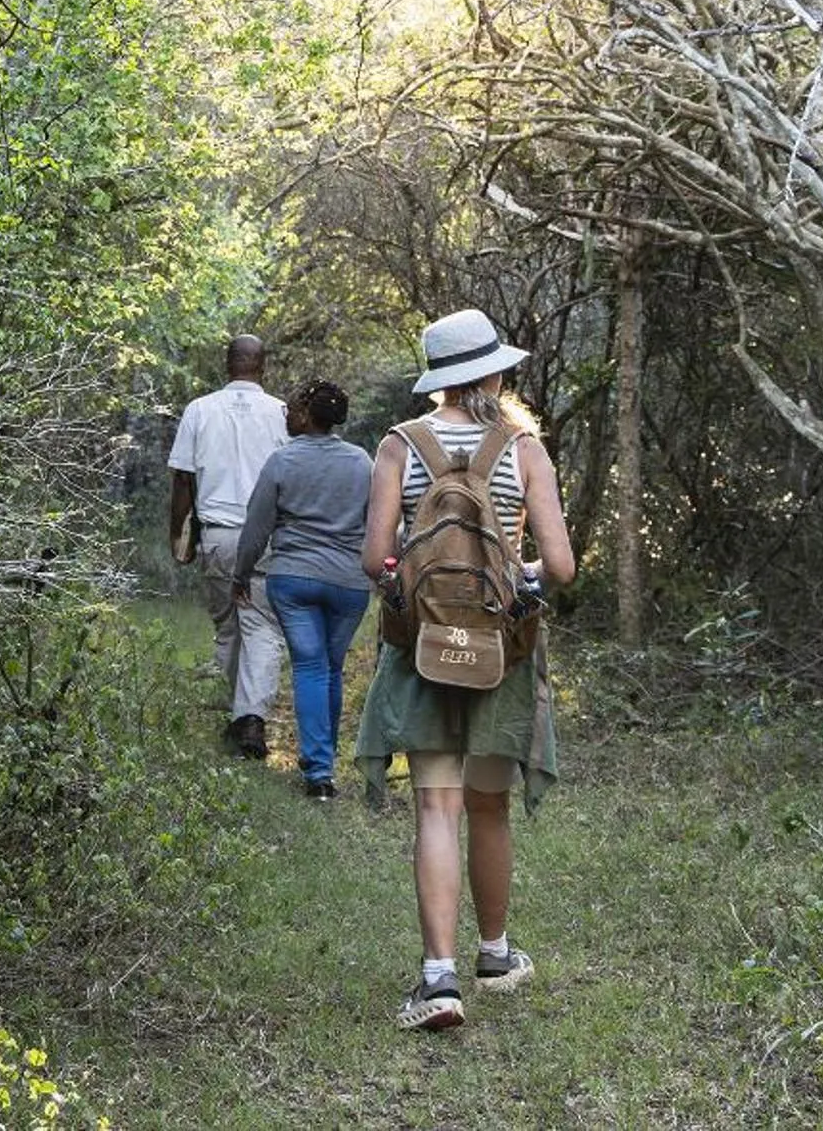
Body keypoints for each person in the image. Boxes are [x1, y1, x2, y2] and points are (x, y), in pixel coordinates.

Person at [355, 308, 576, 1034]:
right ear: (493, 372)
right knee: (488, 804)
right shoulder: (523, 449)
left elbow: (373, 558)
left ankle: (436, 981)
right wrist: (513, 582)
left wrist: (416, 588)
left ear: (438, 380)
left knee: (434, 806)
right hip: (499, 653)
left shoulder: (400, 444)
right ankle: (494, 954)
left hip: (421, 650)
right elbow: (561, 566)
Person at [230, 381, 372, 799]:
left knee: (310, 666)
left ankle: (319, 772)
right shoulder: (362, 462)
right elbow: (378, 519)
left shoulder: (281, 461)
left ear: (308, 415)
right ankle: (321, 765)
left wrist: (241, 574)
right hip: (349, 581)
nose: (286, 416)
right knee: (331, 667)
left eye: (291, 409)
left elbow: (256, 530)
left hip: (293, 579)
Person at [166, 333, 288, 759]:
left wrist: (177, 531)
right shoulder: (281, 413)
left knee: (228, 626)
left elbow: (183, 478)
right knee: (262, 627)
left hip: (217, 536)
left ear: (227, 364)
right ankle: (249, 716)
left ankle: (237, 714)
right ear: (263, 366)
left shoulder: (199, 410)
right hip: (268, 538)